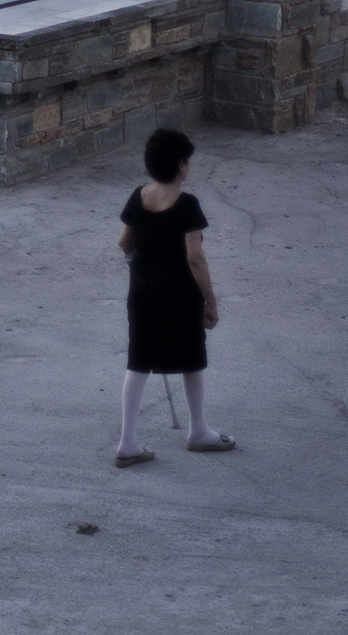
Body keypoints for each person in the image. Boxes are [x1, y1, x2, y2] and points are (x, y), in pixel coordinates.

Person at [113, 126, 233, 465]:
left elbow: (124, 242)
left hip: (142, 292)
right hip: (180, 294)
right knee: (192, 358)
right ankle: (198, 431)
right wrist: (211, 300)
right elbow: (194, 257)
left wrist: (136, 260)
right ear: (181, 165)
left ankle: (127, 441)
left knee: (138, 360)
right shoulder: (187, 205)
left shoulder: (139, 196)